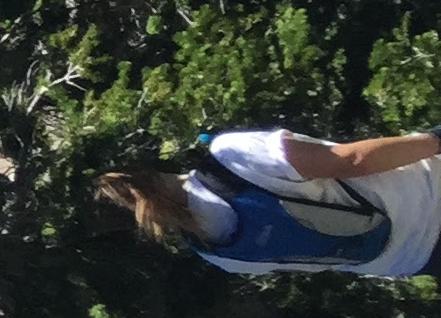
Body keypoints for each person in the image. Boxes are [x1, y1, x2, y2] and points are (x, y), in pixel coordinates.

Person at [98, 127, 441, 278]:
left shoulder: (215, 251)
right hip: (428, 191)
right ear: (141, 167)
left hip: (414, 258)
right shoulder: (230, 156)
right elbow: (351, 161)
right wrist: (434, 140)